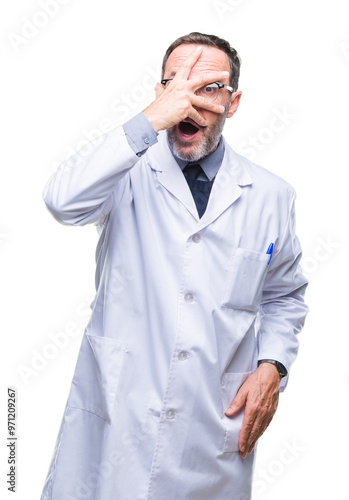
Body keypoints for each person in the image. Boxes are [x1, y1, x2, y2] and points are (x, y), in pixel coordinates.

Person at [40, 32, 308, 500]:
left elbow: (284, 294)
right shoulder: (125, 171)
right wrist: (147, 122)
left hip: (211, 432)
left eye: (207, 88)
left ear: (234, 102)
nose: (189, 101)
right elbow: (62, 201)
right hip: (118, 418)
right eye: (175, 85)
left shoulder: (270, 195)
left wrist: (272, 364)